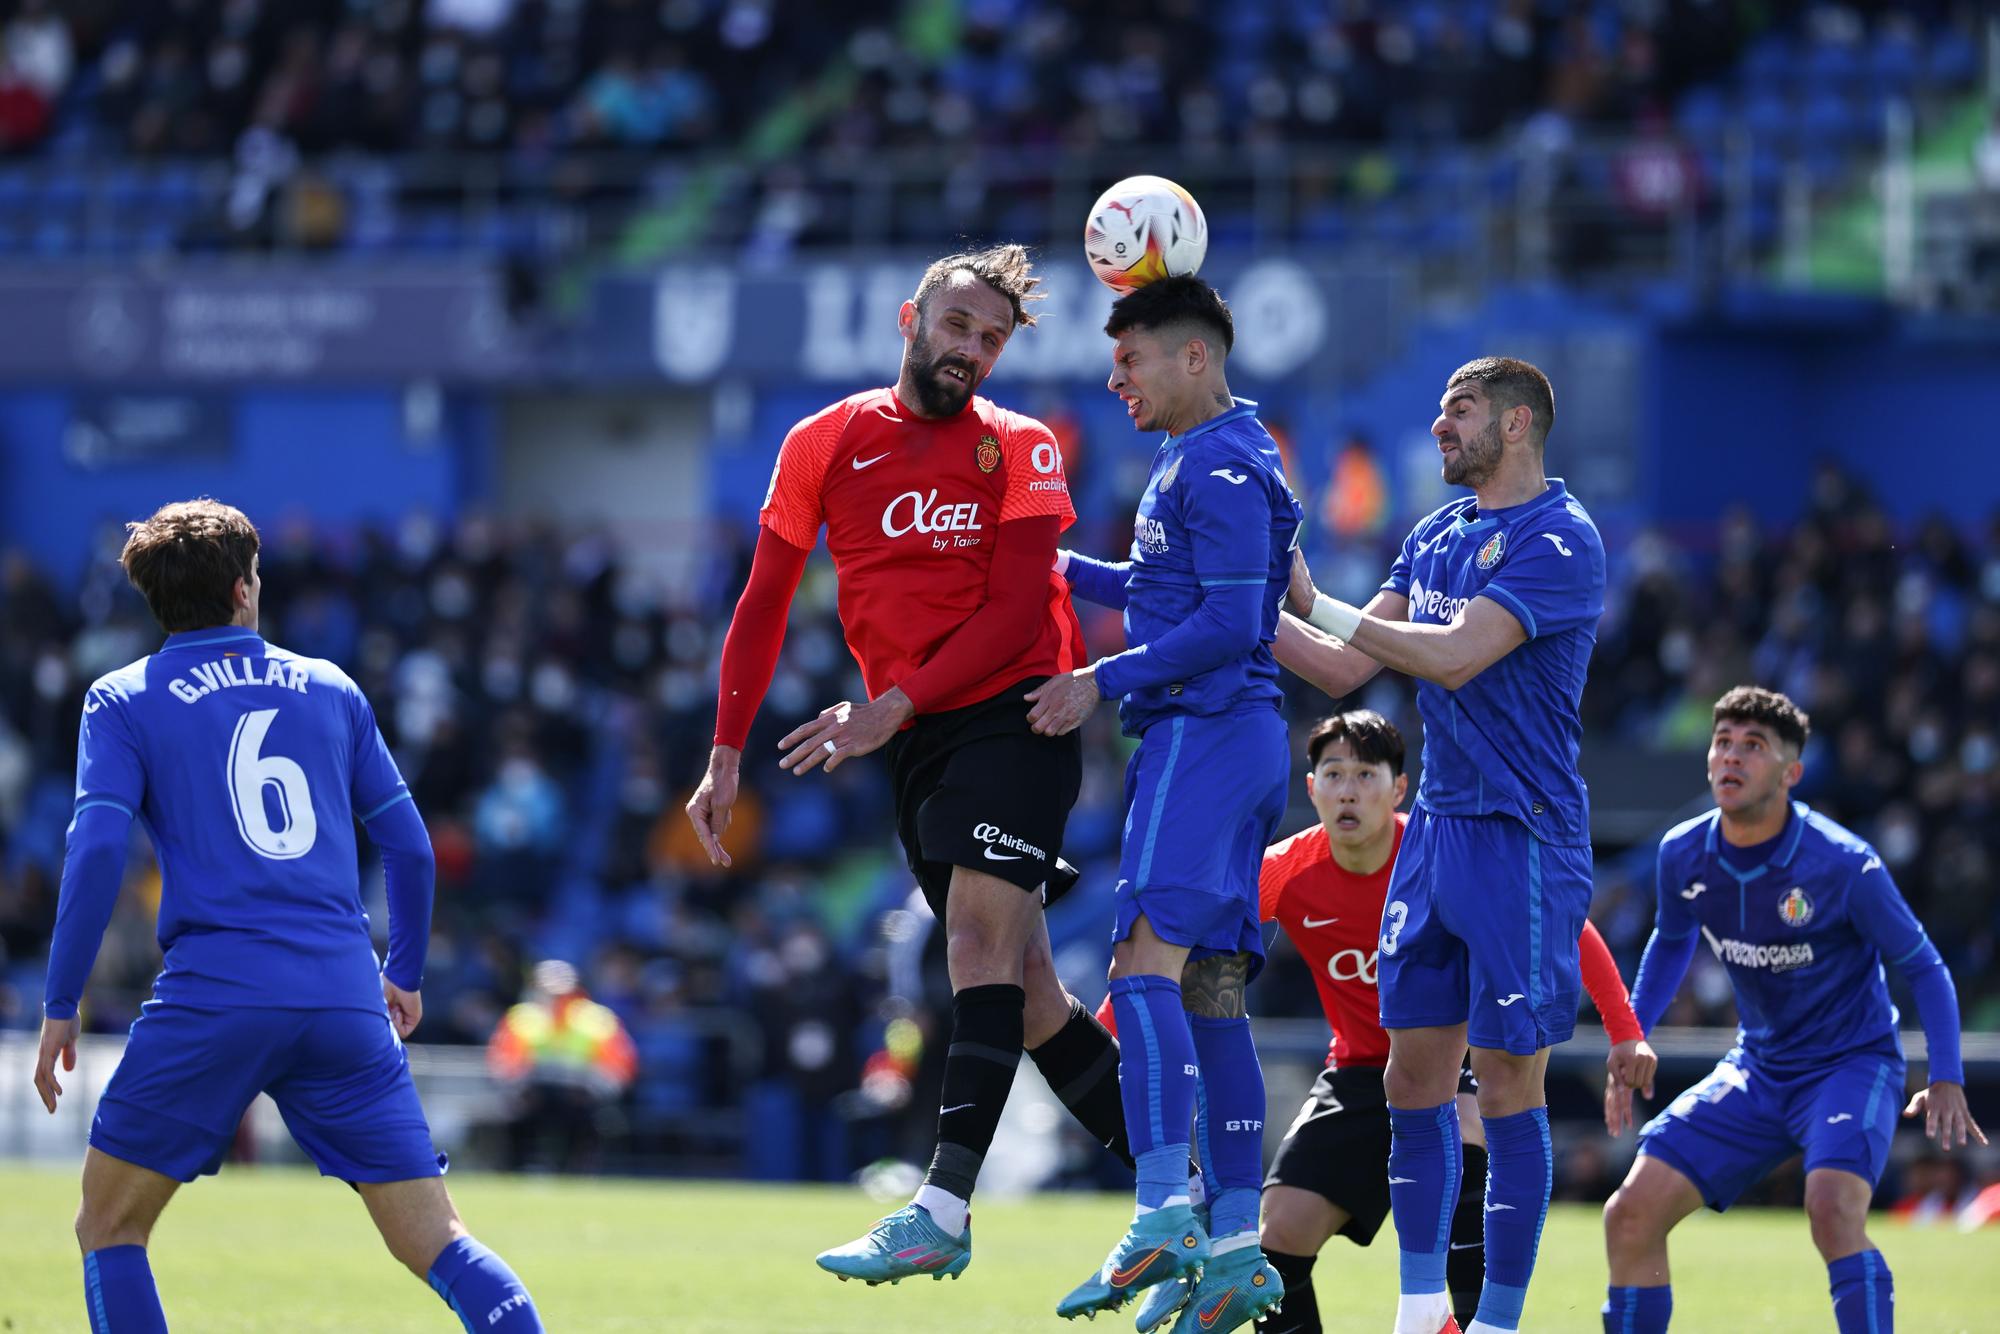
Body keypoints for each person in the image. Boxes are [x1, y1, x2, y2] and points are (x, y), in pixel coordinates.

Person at [684, 245, 1132, 1285]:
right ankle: (1191, 1191)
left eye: (991, 338)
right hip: (919, 735)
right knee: (1024, 992)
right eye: (958, 327)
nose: (972, 351)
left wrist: (891, 703)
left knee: (971, 943)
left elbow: (1020, 610)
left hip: (1017, 713)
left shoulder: (1022, 446)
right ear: (909, 319)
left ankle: (939, 1204)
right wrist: (725, 749)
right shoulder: (824, 441)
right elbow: (761, 601)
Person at [31, 499, 541, 1333]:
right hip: (342, 995)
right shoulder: (330, 687)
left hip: (215, 993)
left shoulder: (121, 700)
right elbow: (409, 848)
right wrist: (401, 975)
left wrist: (61, 1003)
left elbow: (94, 854)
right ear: (243, 590)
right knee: (437, 1239)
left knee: (109, 1224)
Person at [1282, 357, 1605, 1334]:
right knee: (1408, 1076)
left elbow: (1454, 656)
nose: (1435, 427)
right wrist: (1252, 608)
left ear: (1515, 424)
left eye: (1455, 410)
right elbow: (1342, 666)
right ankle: (1420, 1307)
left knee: (1506, 1082)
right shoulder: (1432, 533)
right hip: (1435, 839)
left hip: (1521, 841)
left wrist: (1313, 602)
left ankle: (1498, 1319)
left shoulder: (1560, 536)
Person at [1032, 274, 1301, 1333]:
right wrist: (1053, 570)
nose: (1116, 380)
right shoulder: (1205, 457)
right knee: (1211, 991)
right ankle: (1236, 1238)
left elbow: (1236, 622)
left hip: (1203, 731)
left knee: (1136, 960)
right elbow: (1167, 590)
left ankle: (1159, 1207)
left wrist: (1098, 678)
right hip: (1234, 741)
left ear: (1193, 356)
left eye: (1132, 358)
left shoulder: (1222, 461)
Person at [1250, 710, 1653, 1334]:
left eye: (1365, 773)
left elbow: (1570, 929)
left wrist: (1625, 1030)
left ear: (1399, 787)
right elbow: (1200, 932)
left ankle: (1465, 1321)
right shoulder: (1286, 869)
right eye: (1333, 774)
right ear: (1312, 790)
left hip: (1451, 1065)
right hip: (1357, 1074)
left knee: (1469, 1132)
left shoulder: (1436, 855)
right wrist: (1121, 1016)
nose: (1349, 789)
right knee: (1273, 1248)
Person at [1600, 686, 1985, 1333]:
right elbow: (1671, 941)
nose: (1732, 757)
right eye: (1723, 743)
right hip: (1759, 1068)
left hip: (1852, 1064)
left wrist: (1946, 1075)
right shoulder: (1683, 853)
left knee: (1831, 1209)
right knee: (1629, 1213)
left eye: (1754, 747)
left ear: (1791, 772)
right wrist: (1628, 1034)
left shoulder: (1844, 865)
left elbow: (1925, 966)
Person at [486, 959, 638, 1172]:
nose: (556, 998)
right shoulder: (521, 1018)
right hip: (533, 1099)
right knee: (516, 1118)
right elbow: (502, 1062)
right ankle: (522, 1169)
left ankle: (577, 1170)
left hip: (581, 1100)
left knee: (588, 1123)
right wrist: (518, 1088)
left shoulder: (596, 1020)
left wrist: (593, 1088)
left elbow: (620, 1065)